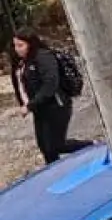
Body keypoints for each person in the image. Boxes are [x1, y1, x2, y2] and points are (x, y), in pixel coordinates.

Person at [10, 29, 92, 165]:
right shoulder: (23, 63)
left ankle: (91, 145)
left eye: (20, 45)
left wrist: (30, 106)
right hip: (40, 109)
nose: (17, 49)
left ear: (30, 44)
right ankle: (55, 171)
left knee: (56, 145)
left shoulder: (43, 57)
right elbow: (21, 85)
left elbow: (50, 85)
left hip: (57, 106)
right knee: (45, 147)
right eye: (15, 45)